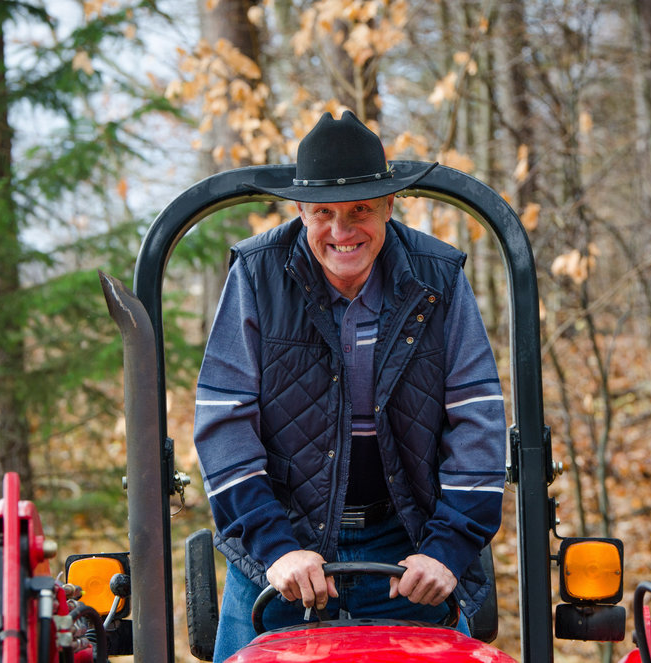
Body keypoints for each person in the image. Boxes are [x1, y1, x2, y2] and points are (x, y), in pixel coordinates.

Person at [193, 110, 507, 662]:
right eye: (324, 214)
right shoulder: (256, 275)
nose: (342, 231)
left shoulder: (439, 277)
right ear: (300, 211)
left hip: (409, 547)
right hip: (284, 543)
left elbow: (477, 418)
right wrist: (276, 549)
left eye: (360, 209)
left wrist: (446, 548)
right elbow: (224, 420)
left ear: (388, 206)